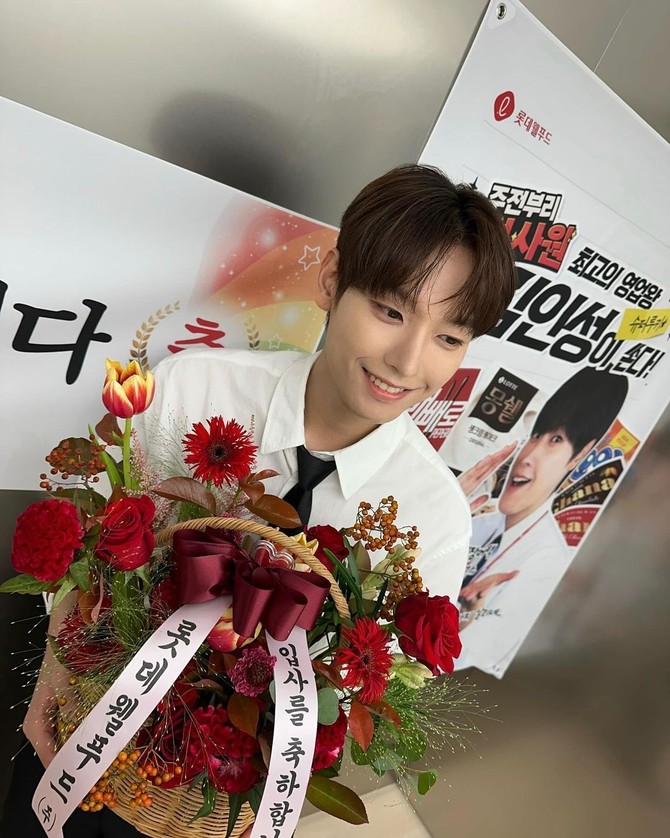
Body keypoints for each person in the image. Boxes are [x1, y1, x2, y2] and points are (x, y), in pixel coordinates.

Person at [5, 164, 517, 836]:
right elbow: (92, 548)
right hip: (85, 728)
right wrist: (54, 668)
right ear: (332, 280)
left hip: (203, 806)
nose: (408, 362)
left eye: (449, 338)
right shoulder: (194, 389)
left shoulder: (433, 517)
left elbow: (364, 691)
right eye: (390, 312)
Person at [456, 367, 629, 674]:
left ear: (579, 456)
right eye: (536, 435)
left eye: (555, 439)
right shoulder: (476, 518)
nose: (528, 454)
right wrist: (445, 509)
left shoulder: (547, 561)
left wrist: (467, 616)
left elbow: (471, 660)